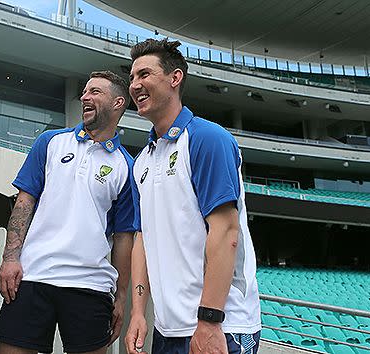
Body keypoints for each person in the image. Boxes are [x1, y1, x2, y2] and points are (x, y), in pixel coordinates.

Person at [124, 39, 261, 354]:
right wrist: (138, 313)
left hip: (222, 325)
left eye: (144, 74)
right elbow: (142, 238)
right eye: (132, 78)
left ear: (175, 78)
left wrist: (210, 320)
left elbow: (226, 231)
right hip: (167, 328)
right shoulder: (141, 162)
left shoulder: (208, 139)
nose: (135, 85)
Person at [0, 71, 136, 354]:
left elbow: (123, 237)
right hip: (32, 276)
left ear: (118, 103)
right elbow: (24, 202)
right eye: (84, 92)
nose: (85, 97)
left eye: (95, 92)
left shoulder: (126, 165)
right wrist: (10, 258)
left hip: (90, 285)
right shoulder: (50, 142)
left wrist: (120, 298)